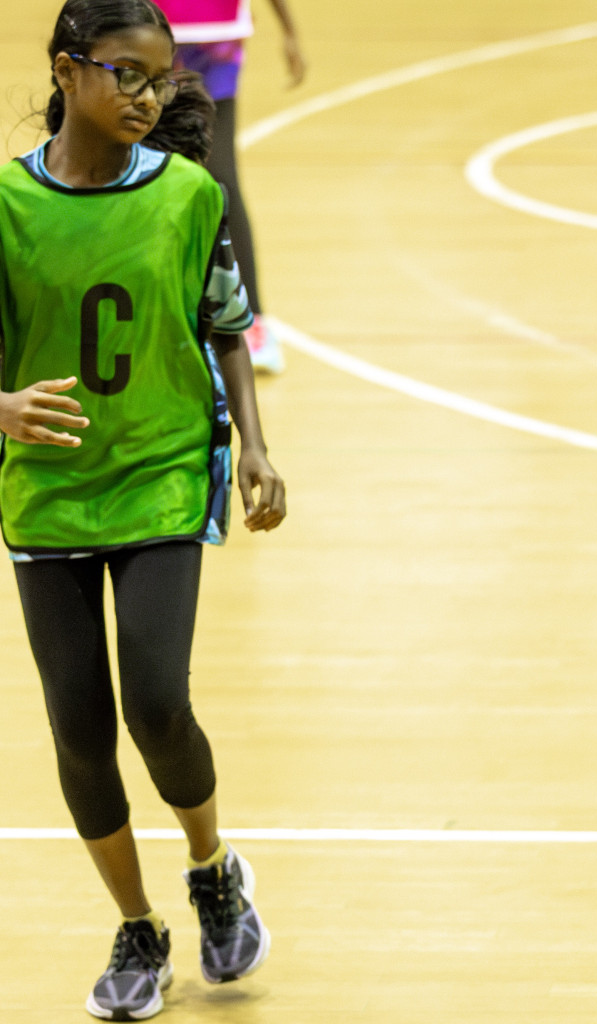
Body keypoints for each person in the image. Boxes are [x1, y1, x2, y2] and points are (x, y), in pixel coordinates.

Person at [0, 0, 286, 1018]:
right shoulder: (6, 205)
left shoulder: (187, 196)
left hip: (165, 473)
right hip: (48, 494)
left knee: (155, 700)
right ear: (68, 71)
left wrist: (252, 448)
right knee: (78, 730)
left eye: (159, 79)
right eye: (126, 74)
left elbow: (227, 327)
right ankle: (137, 924)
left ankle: (212, 866)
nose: (148, 96)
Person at [158, 0, 305, 374]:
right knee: (145, 170)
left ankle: (252, 320)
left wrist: (289, 30)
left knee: (221, 176)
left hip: (215, 32)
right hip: (143, 26)